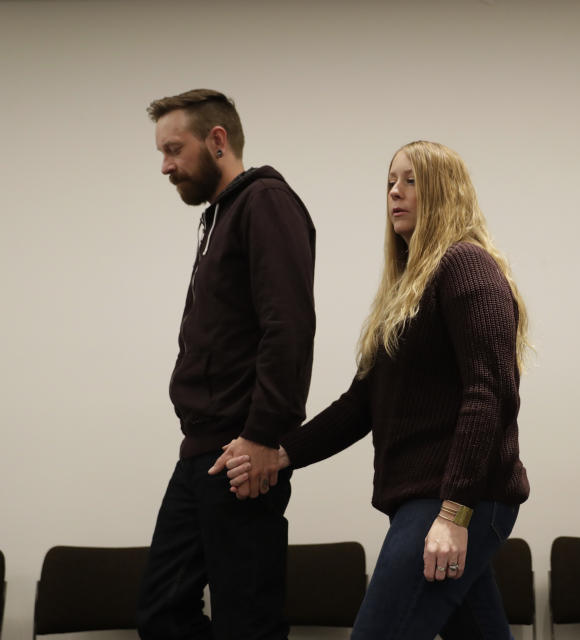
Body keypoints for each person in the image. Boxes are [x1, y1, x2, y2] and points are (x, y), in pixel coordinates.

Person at [212, 140, 530, 639]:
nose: (395, 194)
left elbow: (489, 395)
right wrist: (281, 454)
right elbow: (361, 405)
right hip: (426, 501)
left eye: (410, 181)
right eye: (389, 183)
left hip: (455, 500)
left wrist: (453, 512)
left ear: (444, 191)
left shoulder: (466, 266)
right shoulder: (409, 289)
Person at [139, 89, 316, 640]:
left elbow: (288, 327)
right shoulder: (220, 215)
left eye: (174, 149)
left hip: (241, 454)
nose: (165, 166)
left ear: (217, 141)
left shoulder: (264, 202)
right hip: (200, 453)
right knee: (161, 612)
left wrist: (263, 436)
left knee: (248, 625)